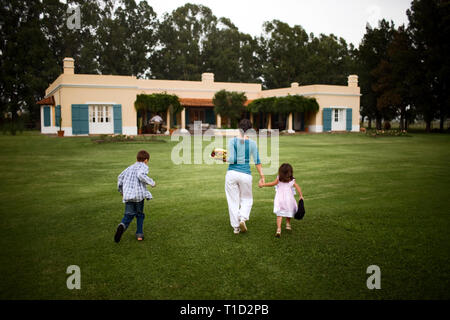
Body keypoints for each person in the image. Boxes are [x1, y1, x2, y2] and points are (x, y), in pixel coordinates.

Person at [224, 119, 264, 234]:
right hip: (246, 174)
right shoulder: (252, 143)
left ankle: (236, 227)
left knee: (233, 201)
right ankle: (242, 218)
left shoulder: (232, 141)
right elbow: (257, 161)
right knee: (247, 199)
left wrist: (221, 157)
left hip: (232, 174)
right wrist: (262, 175)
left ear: (239, 129)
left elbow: (232, 159)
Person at [114, 150, 156, 243]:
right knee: (139, 214)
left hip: (128, 195)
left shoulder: (130, 167)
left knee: (128, 215)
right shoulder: (143, 166)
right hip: (138, 196)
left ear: (137, 159)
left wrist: (121, 191)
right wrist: (152, 182)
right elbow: (140, 175)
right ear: (146, 160)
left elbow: (120, 177)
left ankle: (122, 225)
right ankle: (139, 234)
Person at [258, 163, 303, 237]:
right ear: (290, 172)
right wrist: (301, 195)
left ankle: (278, 229)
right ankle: (288, 224)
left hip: (280, 199)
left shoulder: (279, 179)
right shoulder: (292, 180)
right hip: (289, 199)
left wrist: (263, 185)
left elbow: (272, 184)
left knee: (279, 214)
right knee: (289, 211)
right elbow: (297, 187)